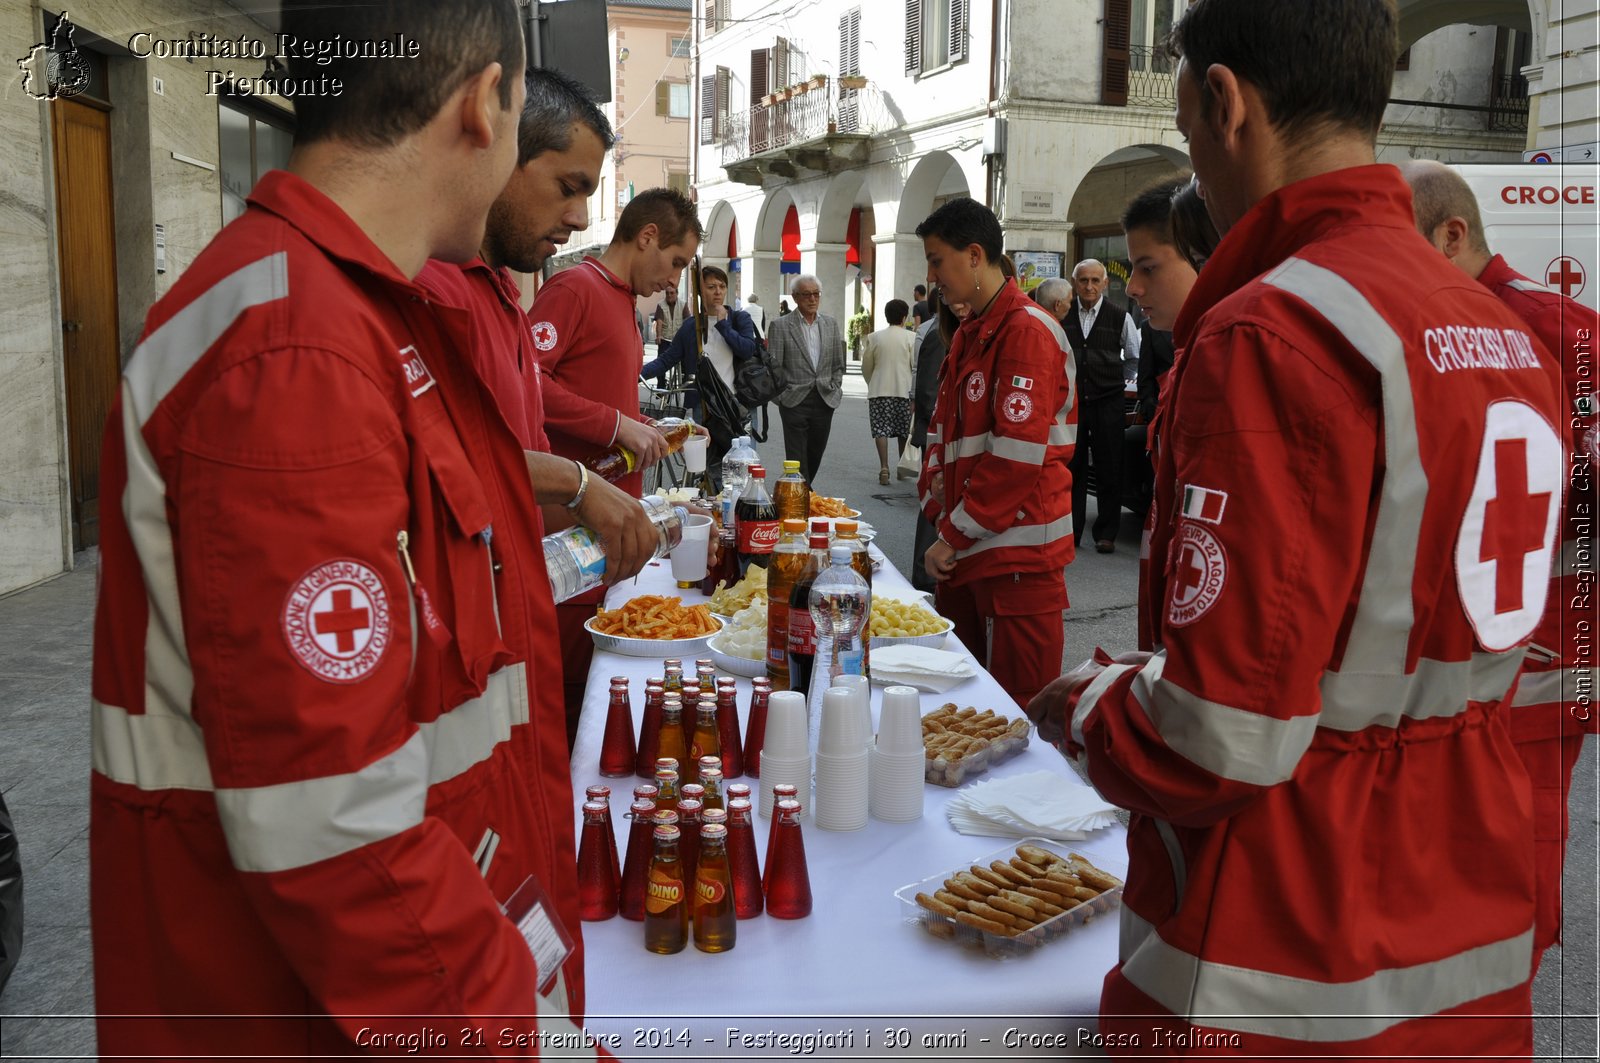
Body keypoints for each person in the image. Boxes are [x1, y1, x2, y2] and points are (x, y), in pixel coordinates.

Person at [87, 1, 649, 1055]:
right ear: (486, 104)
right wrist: (515, 1032)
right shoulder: (294, 346)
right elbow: (333, 827)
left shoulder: (360, 313)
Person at [1025, 0, 1561, 1056]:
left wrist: (1090, 704)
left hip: (1282, 943)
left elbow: (1218, 735)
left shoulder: (1272, 332)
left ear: (1226, 103)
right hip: (1471, 913)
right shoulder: (1496, 326)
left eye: (1186, 132)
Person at [1401, 158, 1598, 973]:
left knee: (1518, 863)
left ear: (1453, 235)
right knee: (1461, 857)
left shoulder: (1562, 328)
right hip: (1477, 646)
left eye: (1408, 248)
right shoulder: (1445, 321)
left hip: (1544, 651)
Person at [530, 187, 703, 736]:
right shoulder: (575, 288)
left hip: (604, 530)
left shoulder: (622, 303)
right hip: (566, 532)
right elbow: (526, 381)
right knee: (565, 691)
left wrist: (650, 427)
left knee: (590, 684)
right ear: (647, 237)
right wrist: (613, 424)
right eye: (676, 263)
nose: (675, 281)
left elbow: (606, 399)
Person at [916, 198, 1075, 709]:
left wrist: (952, 532)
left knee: (1019, 713)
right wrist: (939, 510)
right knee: (966, 707)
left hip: (1018, 557)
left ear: (974, 255)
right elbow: (943, 433)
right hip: (972, 547)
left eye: (938, 259)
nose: (932, 274)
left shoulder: (1025, 330)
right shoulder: (973, 330)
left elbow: (1014, 458)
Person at [641, 264, 759, 485]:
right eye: (711, 286)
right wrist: (637, 373)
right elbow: (668, 359)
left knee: (743, 468)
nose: (718, 291)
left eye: (722, 286)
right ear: (699, 291)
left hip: (738, 404)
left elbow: (747, 349)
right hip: (704, 406)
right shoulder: (690, 327)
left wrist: (724, 325)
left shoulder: (738, 319)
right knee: (706, 469)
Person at [1062, 258, 1140, 553]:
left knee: (1110, 464)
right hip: (1073, 403)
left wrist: (1113, 380)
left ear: (1105, 284)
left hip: (1108, 400)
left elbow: (1133, 357)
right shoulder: (1064, 313)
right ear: (1075, 283)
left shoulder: (1120, 316)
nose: (1090, 286)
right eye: (1084, 281)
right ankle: (1071, 530)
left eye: (1096, 281)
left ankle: (1106, 533)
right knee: (1073, 465)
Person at [766, 273, 846, 483]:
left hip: (824, 398)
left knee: (814, 454)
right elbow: (774, 368)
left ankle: (802, 495)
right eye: (806, 295)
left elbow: (838, 363)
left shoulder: (830, 324)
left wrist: (835, 387)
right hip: (794, 401)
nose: (812, 299)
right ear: (795, 297)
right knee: (797, 458)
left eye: (816, 294)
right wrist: (781, 397)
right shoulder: (781, 326)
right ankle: (802, 501)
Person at [861, 299, 918, 484]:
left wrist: (872, 382)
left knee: (880, 430)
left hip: (879, 390)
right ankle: (902, 467)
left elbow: (866, 366)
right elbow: (913, 365)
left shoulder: (874, 337)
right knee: (903, 431)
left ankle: (884, 467)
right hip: (904, 389)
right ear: (904, 317)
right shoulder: (911, 337)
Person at [652, 279, 688, 344]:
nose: (669, 295)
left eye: (672, 293)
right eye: (667, 293)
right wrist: (659, 336)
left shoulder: (683, 304)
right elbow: (659, 322)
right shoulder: (660, 305)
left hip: (679, 341)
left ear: (677, 293)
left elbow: (687, 322)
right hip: (665, 340)